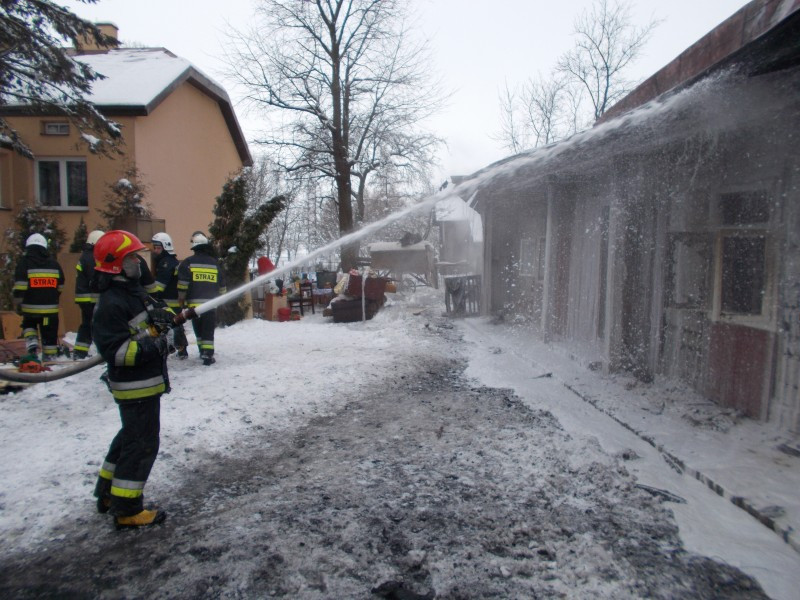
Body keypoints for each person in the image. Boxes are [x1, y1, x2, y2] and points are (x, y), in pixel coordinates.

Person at [91, 230, 172, 529]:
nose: (137, 261)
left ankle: (108, 493)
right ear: (116, 265)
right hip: (134, 387)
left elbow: (144, 324)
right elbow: (118, 352)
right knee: (142, 444)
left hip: (142, 384)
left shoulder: (130, 293)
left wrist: (161, 321)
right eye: (131, 257)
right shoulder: (111, 303)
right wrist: (158, 344)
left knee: (129, 437)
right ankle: (127, 509)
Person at [12, 233, 65, 361]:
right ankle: (50, 356)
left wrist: (18, 304)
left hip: (30, 310)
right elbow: (61, 284)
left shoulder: (24, 263)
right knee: (49, 332)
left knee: (28, 325)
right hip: (50, 310)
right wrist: (53, 297)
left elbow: (20, 286)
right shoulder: (54, 264)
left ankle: (32, 344)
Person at [177, 231, 226, 366]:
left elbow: (182, 285)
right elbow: (222, 286)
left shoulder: (188, 262)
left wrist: (181, 300)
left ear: (194, 248)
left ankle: (201, 350)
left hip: (194, 306)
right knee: (208, 330)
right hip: (210, 304)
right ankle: (208, 355)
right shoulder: (215, 264)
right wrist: (221, 299)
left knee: (198, 329)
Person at [151, 232, 188, 358]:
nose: (155, 251)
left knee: (174, 324)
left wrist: (148, 292)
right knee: (175, 324)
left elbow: (160, 285)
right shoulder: (171, 260)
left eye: (158, 248)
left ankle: (180, 348)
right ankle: (179, 348)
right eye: (154, 247)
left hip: (169, 299)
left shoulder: (166, 263)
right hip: (173, 299)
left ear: (166, 247)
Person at [72, 229, 104, 359]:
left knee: (87, 324)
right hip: (92, 298)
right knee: (97, 325)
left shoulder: (85, 255)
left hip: (84, 297)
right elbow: (95, 278)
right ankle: (99, 353)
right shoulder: (92, 257)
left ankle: (80, 350)